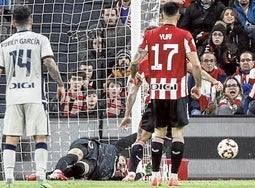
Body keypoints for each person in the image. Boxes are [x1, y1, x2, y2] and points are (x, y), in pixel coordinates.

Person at [129, 2, 202, 186]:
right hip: (176, 92)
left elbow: (135, 61)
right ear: (178, 16)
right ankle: (174, 178)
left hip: (157, 92)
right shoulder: (185, 35)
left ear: (161, 16)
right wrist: (198, 86)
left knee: (158, 133)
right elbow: (196, 65)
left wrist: (133, 76)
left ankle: (155, 176)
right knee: (177, 134)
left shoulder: (150, 34)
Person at [0, 5, 65, 188]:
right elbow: (49, 63)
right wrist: (60, 84)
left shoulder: (4, 44)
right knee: (40, 137)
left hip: (13, 96)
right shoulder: (40, 40)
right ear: (31, 20)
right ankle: (41, 177)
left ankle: (9, 178)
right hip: (35, 95)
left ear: (13, 23)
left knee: (11, 138)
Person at [46, 133, 139, 180]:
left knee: (81, 168)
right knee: (76, 154)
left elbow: (124, 179)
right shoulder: (115, 148)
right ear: (119, 156)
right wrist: (147, 132)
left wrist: (139, 175)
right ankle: (57, 171)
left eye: (124, 163)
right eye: (123, 160)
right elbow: (130, 139)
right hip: (92, 148)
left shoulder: (111, 174)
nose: (123, 163)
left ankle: (48, 175)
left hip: (93, 165)